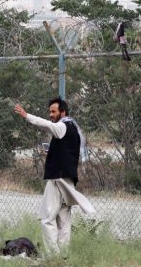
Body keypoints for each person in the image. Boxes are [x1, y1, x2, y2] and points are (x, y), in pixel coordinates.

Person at [14, 98, 95, 256]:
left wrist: (26, 115)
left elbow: (47, 125)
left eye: (53, 111)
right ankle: (63, 256)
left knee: (47, 218)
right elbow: (66, 151)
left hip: (58, 179)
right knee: (64, 221)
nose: (50, 115)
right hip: (68, 180)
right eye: (49, 111)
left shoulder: (62, 126)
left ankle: (53, 257)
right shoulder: (74, 128)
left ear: (63, 112)